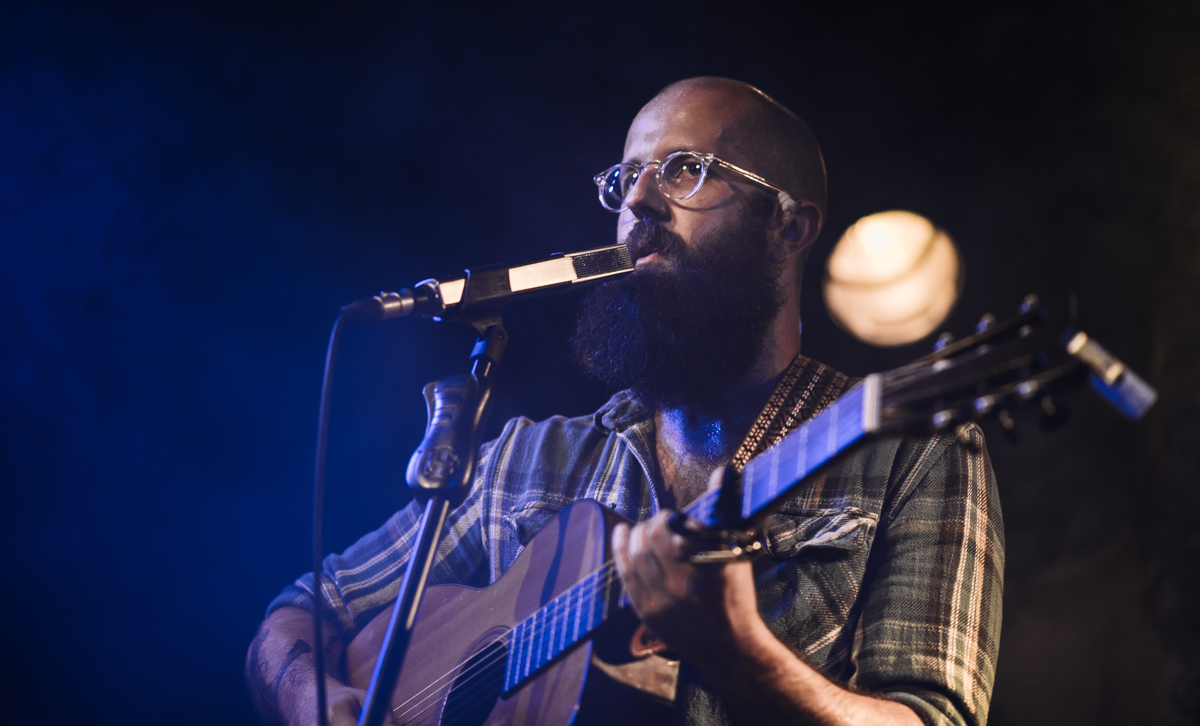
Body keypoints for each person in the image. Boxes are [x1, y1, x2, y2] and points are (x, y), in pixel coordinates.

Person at [246, 77, 1004, 726]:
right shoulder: (525, 457)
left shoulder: (914, 451)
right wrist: (311, 698)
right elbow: (306, 610)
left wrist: (739, 654)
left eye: (685, 170)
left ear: (789, 226)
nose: (639, 200)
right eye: (626, 177)